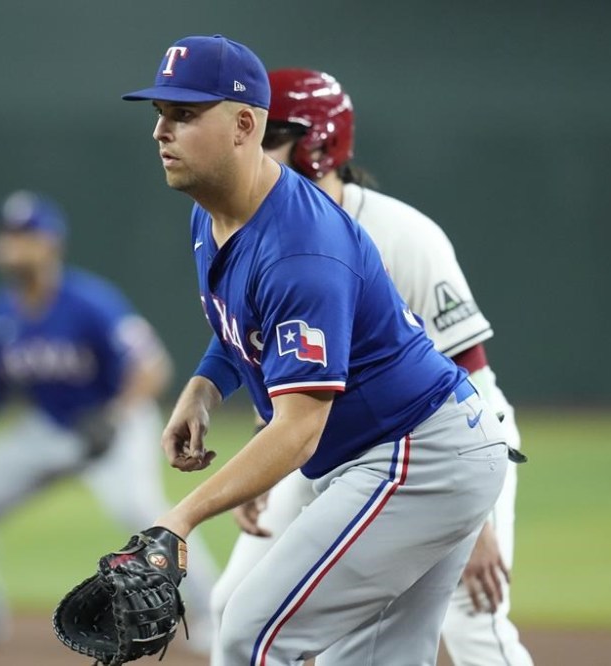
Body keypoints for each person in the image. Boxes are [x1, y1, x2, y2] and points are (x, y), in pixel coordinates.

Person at [122, 35, 512, 665]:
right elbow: (243, 322)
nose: (162, 131)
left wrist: (181, 518)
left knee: (253, 631)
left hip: (418, 455)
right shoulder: (216, 208)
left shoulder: (302, 250)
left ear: (245, 124)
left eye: (185, 115)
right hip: (398, 453)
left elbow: (299, 430)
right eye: (160, 114)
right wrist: (204, 385)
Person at [208, 68, 534, 666]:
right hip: (326, 442)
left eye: (272, 131)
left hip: (443, 438)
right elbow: (278, 358)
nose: (252, 144)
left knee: (472, 618)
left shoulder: (402, 233)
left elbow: (472, 374)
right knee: (232, 601)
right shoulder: (253, 222)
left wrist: (474, 521)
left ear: (319, 141)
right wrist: (260, 463)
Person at [0, 190, 219, 652]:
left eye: (24, 235)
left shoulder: (91, 302)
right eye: (5, 236)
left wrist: (114, 415)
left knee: (144, 514)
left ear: (51, 243)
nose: (11, 245)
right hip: (50, 429)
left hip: (114, 424)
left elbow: (152, 367)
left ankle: (213, 612)